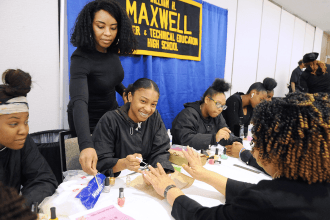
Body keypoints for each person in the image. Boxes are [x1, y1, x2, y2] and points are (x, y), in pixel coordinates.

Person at [144, 92, 330, 220]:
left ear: (276, 151)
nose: (254, 150)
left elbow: (203, 217)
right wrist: (204, 174)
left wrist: (169, 189)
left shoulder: (266, 201)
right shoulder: (316, 184)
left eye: (258, 142)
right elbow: (253, 191)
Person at [67, 0, 138, 176]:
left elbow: (110, 79)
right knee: (94, 171)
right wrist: (86, 145)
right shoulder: (80, 58)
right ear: (89, 26)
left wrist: (123, 92)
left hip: (110, 116)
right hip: (88, 121)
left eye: (113, 28)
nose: (108, 33)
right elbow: (79, 102)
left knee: (115, 169)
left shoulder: (111, 52)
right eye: (100, 26)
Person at [93, 78, 174, 178]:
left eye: (153, 104)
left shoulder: (154, 117)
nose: (148, 109)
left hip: (144, 179)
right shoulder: (110, 120)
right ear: (130, 96)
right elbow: (100, 162)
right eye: (143, 101)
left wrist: (158, 170)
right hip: (114, 182)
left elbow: (160, 150)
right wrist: (124, 163)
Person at [0, 69, 57, 208]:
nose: (24, 131)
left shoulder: (21, 142)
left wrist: (18, 208)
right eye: (14, 123)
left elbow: (44, 180)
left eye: (26, 122)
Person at [170, 79, 242, 150]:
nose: (220, 109)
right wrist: (214, 138)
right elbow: (186, 139)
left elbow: (225, 133)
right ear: (207, 100)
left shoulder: (217, 116)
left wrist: (236, 141)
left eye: (223, 106)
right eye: (218, 104)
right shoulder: (188, 114)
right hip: (182, 158)